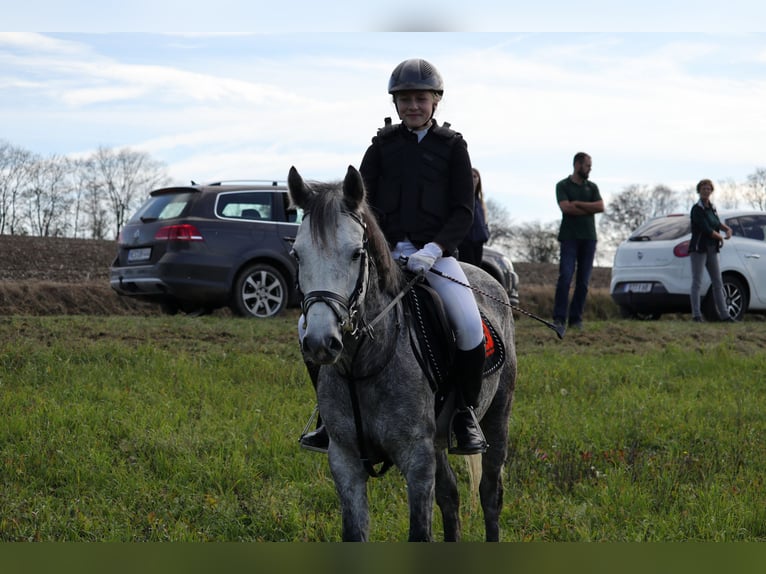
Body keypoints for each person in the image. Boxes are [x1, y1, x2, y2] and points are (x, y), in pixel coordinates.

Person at [299, 57, 488, 455]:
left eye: (421, 98)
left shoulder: (453, 148)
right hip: (384, 255)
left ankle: (463, 415)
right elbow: (359, 205)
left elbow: (462, 210)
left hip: (436, 256)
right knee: (314, 322)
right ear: (395, 103)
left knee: (470, 325)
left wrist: (434, 250)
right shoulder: (381, 147)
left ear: (436, 101)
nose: (412, 106)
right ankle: (325, 414)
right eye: (404, 99)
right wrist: (384, 247)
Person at [552, 152, 604, 332]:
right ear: (577, 165)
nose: (590, 169)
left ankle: (576, 318)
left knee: (583, 281)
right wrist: (588, 208)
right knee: (565, 277)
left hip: (589, 238)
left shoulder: (593, 187)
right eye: (587, 165)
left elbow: (600, 206)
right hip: (569, 237)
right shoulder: (562, 185)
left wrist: (578, 205)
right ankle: (559, 318)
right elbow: (566, 208)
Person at [689, 179, 735, 322]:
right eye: (703, 188)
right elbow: (706, 229)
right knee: (697, 281)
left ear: (711, 191)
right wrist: (720, 237)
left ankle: (725, 315)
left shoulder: (712, 208)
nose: (706, 191)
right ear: (699, 190)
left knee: (717, 282)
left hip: (712, 249)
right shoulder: (697, 209)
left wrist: (727, 229)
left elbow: (715, 223)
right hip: (699, 248)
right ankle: (696, 315)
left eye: (708, 189)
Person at [457, 168, 490, 266]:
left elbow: (485, 222)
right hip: (464, 242)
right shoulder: (461, 197)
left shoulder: (480, 201)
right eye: (470, 176)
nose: (472, 178)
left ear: (479, 180)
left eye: (475, 176)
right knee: (468, 268)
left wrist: (486, 234)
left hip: (478, 242)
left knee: (477, 269)